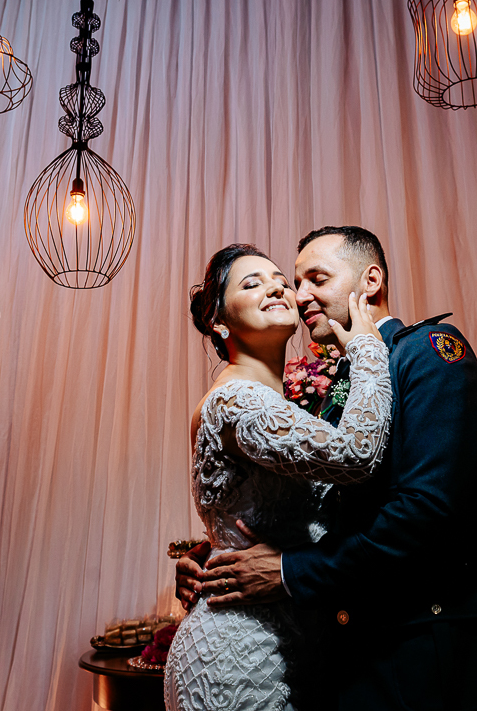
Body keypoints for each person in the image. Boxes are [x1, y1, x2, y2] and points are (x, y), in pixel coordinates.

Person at [177, 227, 477, 710]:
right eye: (296, 283)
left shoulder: (426, 353)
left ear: (371, 280)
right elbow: (320, 500)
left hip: (428, 653)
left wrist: (289, 571)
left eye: (315, 278)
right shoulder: (347, 382)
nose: (299, 296)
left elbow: (426, 515)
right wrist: (217, 554)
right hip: (352, 656)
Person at [165, 243, 394, 711]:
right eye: (252, 284)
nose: (276, 287)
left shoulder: (274, 405)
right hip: (239, 659)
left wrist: (209, 552)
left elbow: (259, 512)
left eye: (278, 280)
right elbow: (356, 455)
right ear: (219, 323)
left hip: (287, 644)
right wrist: (369, 346)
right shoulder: (237, 401)